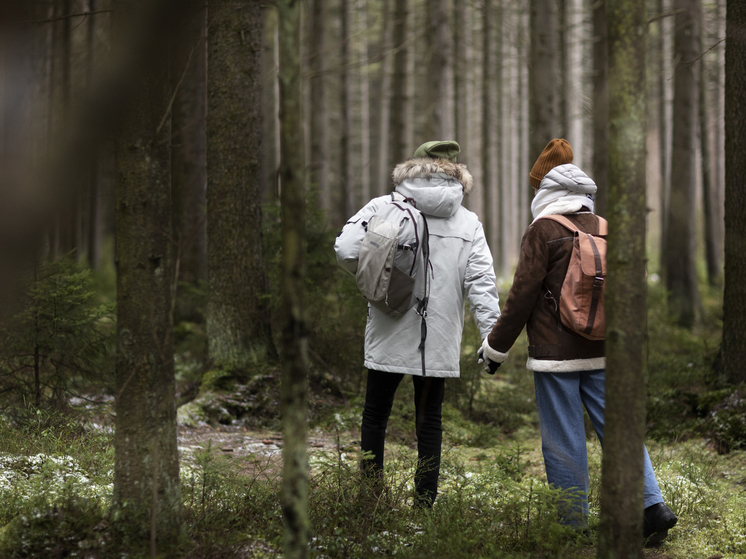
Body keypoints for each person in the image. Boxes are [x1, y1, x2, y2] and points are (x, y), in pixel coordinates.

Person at [478, 138, 678, 544]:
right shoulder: (606, 227)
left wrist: (495, 349)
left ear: (545, 193)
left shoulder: (543, 230)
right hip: (605, 348)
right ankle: (652, 506)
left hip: (557, 354)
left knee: (564, 436)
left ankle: (571, 523)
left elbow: (520, 298)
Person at [335, 140, 500, 507]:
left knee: (375, 415)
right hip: (438, 337)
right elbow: (481, 283)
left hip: (388, 324)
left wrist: (378, 282)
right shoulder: (468, 221)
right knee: (429, 421)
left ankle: (370, 497)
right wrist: (492, 337)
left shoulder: (384, 207)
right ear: (456, 173)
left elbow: (346, 250)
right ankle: (424, 505)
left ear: (415, 166)